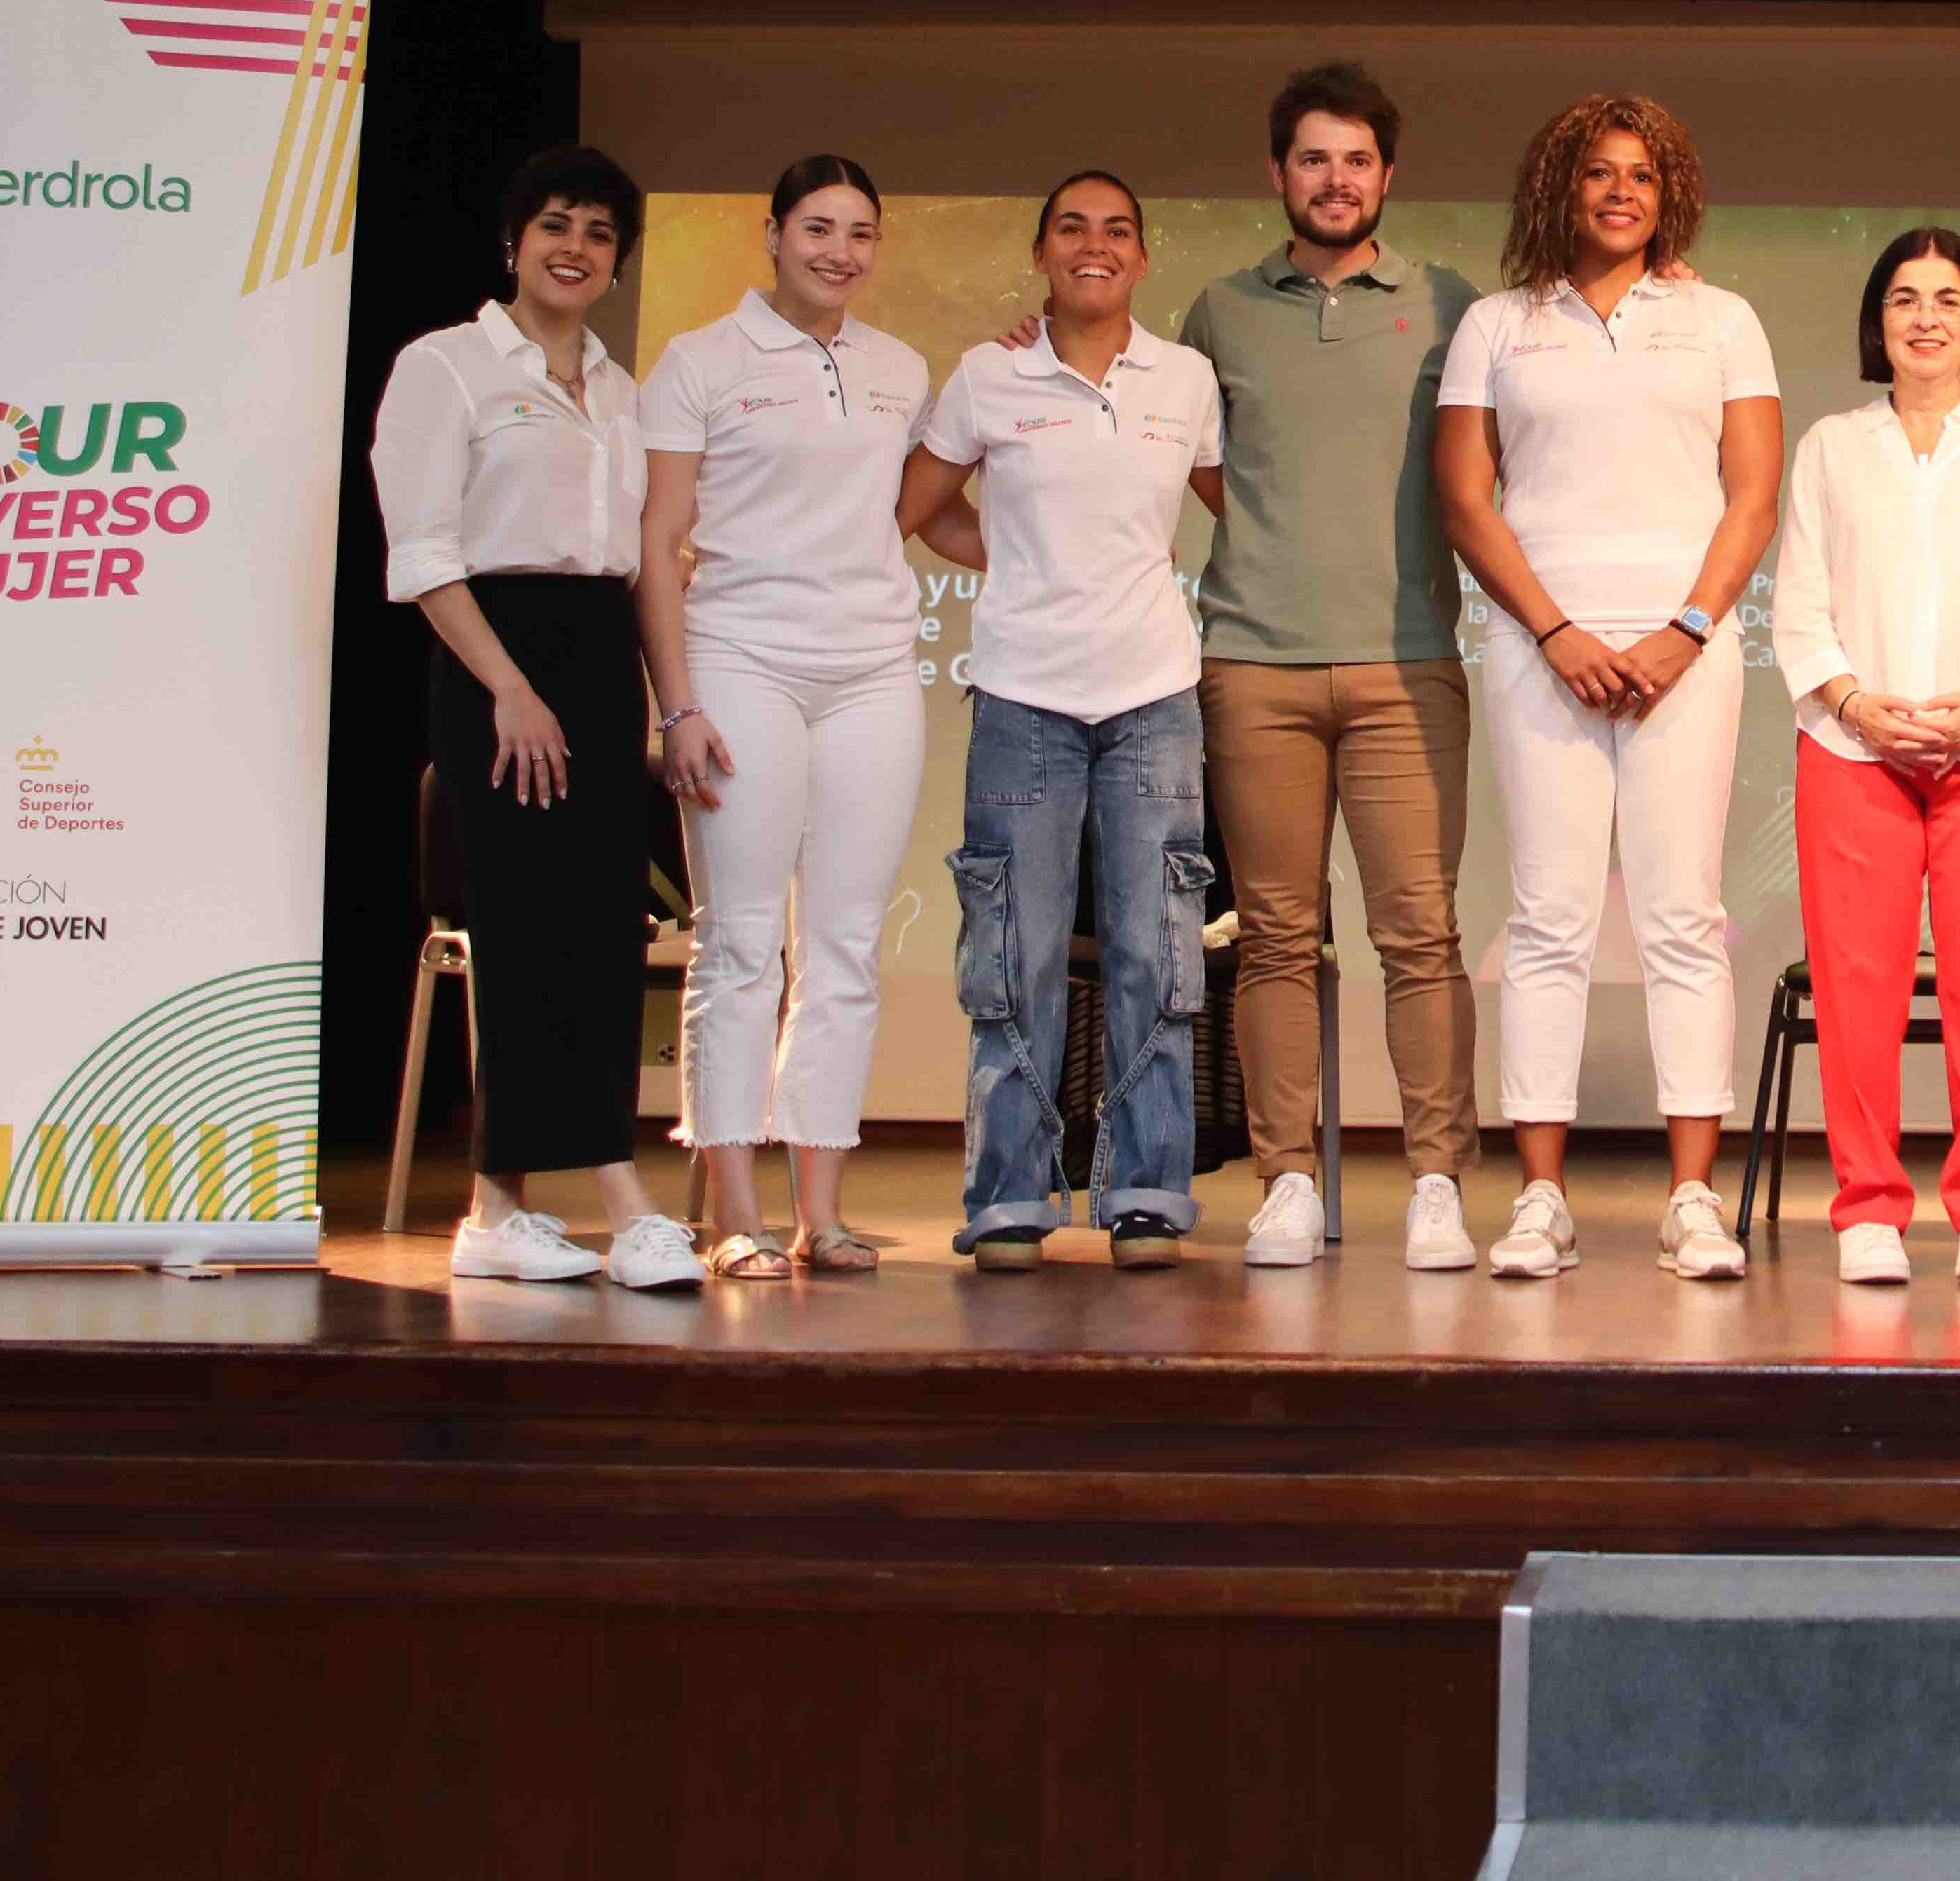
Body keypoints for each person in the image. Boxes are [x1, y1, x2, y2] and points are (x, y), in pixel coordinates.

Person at [1435, 94, 1783, 1282]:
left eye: (1642, 173)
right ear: (1560, 188)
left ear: (1669, 191)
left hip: (1688, 651)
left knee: (1684, 913)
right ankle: (1541, 1198)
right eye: (1597, 172)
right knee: (1548, 916)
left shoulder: (1721, 319)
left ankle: (1693, 1198)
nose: (1620, 190)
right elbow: (1468, 499)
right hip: (1546, 654)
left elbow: (1752, 497)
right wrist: (1558, 630)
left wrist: (1685, 629)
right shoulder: (1497, 323)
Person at [1170, 64, 1489, 1275]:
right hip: (1254, 666)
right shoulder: (1219, 308)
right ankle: (1288, 1179)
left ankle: (1436, 1184)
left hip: (1410, 665)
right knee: (1274, 939)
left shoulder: (1451, 302)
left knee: (1422, 933)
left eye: (1357, 160)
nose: (1336, 179)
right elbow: (1199, 458)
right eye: (1314, 158)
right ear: (1280, 174)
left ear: (1387, 176)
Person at [368, 144, 697, 1291]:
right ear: (516, 239)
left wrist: (671, 700)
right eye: (556, 223)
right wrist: (508, 686)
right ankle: (622, 1195)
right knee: (521, 932)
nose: (576, 246)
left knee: (603, 933)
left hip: (602, 659)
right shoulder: (445, 367)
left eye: (600, 232)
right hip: (493, 661)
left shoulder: (621, 386)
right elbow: (421, 550)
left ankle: (494, 1213)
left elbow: (645, 556)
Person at [898, 172, 1224, 1271]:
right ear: (1042, 251)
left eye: (1118, 229)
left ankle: (1146, 1192)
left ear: (1142, 256)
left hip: (1153, 699)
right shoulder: (991, 373)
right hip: (1024, 696)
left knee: (1158, 955)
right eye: (1073, 227)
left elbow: (1242, 504)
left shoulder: (1185, 377)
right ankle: (1008, 1199)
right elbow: (919, 507)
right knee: (1011, 956)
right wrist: (1019, 558)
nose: (1096, 244)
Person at [634, 155, 928, 1281]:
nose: (839, 251)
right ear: (771, 233)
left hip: (871, 673)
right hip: (739, 660)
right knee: (743, 940)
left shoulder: (902, 369)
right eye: (817, 228)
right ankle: (731, 1213)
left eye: (860, 232)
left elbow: (920, 515)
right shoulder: (699, 362)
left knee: (845, 943)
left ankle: (824, 1210)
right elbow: (659, 545)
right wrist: (680, 706)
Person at [1775, 229, 1960, 1287]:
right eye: (1905, 297)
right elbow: (1800, 599)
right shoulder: (1829, 445)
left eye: (1950, 298)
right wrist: (1856, 703)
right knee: (1859, 986)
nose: (1927, 316)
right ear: (1880, 321)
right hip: (1853, 750)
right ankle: (1867, 1209)